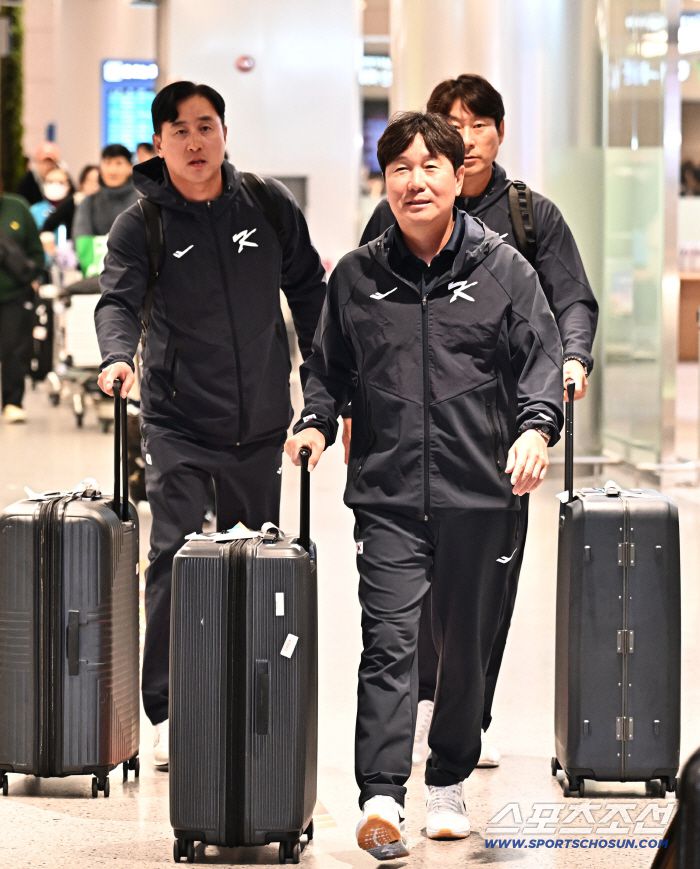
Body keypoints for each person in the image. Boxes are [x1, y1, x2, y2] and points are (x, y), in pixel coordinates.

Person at [285, 111, 563, 859]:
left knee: (465, 648)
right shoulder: (357, 276)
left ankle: (446, 781)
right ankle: (380, 793)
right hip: (389, 492)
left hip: (482, 492)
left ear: (455, 176)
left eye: (430, 166)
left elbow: (544, 358)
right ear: (386, 181)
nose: (415, 180)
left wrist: (536, 429)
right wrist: (315, 420)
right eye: (400, 167)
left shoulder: (504, 269)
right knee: (388, 640)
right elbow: (329, 370)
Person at [359, 74, 598, 770]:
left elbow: (572, 299)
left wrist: (572, 360)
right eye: (448, 123)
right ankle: (431, 700)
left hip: (502, 431)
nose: (463, 137)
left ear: (497, 132)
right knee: (416, 584)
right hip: (414, 432)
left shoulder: (529, 216)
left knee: (486, 588)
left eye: (476, 123)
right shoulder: (399, 211)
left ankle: (469, 712)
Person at [94, 80, 326, 770]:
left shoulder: (265, 203)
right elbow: (119, 301)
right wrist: (115, 359)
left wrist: (323, 371)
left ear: (224, 132)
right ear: (159, 144)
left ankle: (259, 693)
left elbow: (308, 290)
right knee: (172, 560)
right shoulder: (144, 223)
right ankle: (167, 706)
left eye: (206, 126)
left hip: (259, 422)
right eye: (180, 131)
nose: (196, 142)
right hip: (178, 422)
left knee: (263, 563)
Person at [0, 185, 45, 422]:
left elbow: (37, 253)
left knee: (14, 350)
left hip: (14, 294)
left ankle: (12, 402)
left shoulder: (17, 207)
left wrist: (32, 275)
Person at [73, 144, 139, 274]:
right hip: (95, 278)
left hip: (135, 278)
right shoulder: (88, 203)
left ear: (130, 167)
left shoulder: (143, 202)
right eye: (108, 163)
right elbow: (82, 243)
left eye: (119, 163)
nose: (112, 170)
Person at [16, 141, 61, 206]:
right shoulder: (27, 183)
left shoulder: (63, 180)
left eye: (51, 162)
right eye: (44, 162)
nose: (48, 166)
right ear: (37, 161)